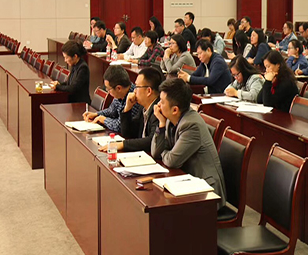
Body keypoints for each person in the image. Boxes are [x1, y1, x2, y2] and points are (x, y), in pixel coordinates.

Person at [151, 78, 226, 209]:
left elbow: (172, 161)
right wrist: (161, 124)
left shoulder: (192, 125)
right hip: (188, 183)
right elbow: (155, 152)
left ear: (175, 109)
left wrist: (165, 151)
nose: (158, 105)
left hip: (208, 193)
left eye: (162, 102)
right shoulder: (169, 120)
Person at [99, 67, 163, 152]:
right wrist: (127, 108)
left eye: (137, 87)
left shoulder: (159, 110)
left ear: (148, 91)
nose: (134, 91)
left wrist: (122, 145)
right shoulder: (143, 108)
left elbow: (152, 140)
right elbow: (128, 133)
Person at [82, 66, 140, 133]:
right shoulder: (120, 94)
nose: (108, 92)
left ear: (119, 88)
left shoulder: (134, 98)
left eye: (108, 89)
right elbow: (111, 111)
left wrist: (104, 120)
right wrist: (96, 114)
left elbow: (120, 126)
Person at [49, 40, 90, 104]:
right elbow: (69, 83)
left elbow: (73, 88)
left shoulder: (83, 68)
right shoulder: (75, 65)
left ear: (75, 56)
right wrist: (59, 84)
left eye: (66, 57)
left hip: (80, 104)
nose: (65, 60)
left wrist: (58, 87)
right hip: (73, 102)